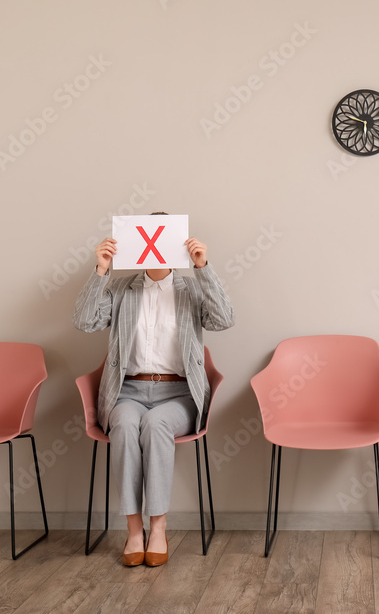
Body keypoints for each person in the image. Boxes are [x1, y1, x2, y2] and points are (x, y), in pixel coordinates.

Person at [73, 221, 234, 567]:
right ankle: (134, 531)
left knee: (156, 423)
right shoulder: (121, 289)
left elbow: (224, 319)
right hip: (126, 391)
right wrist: (99, 270)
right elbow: (85, 321)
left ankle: (158, 527)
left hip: (178, 393)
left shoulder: (190, 290)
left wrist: (203, 267)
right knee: (128, 425)